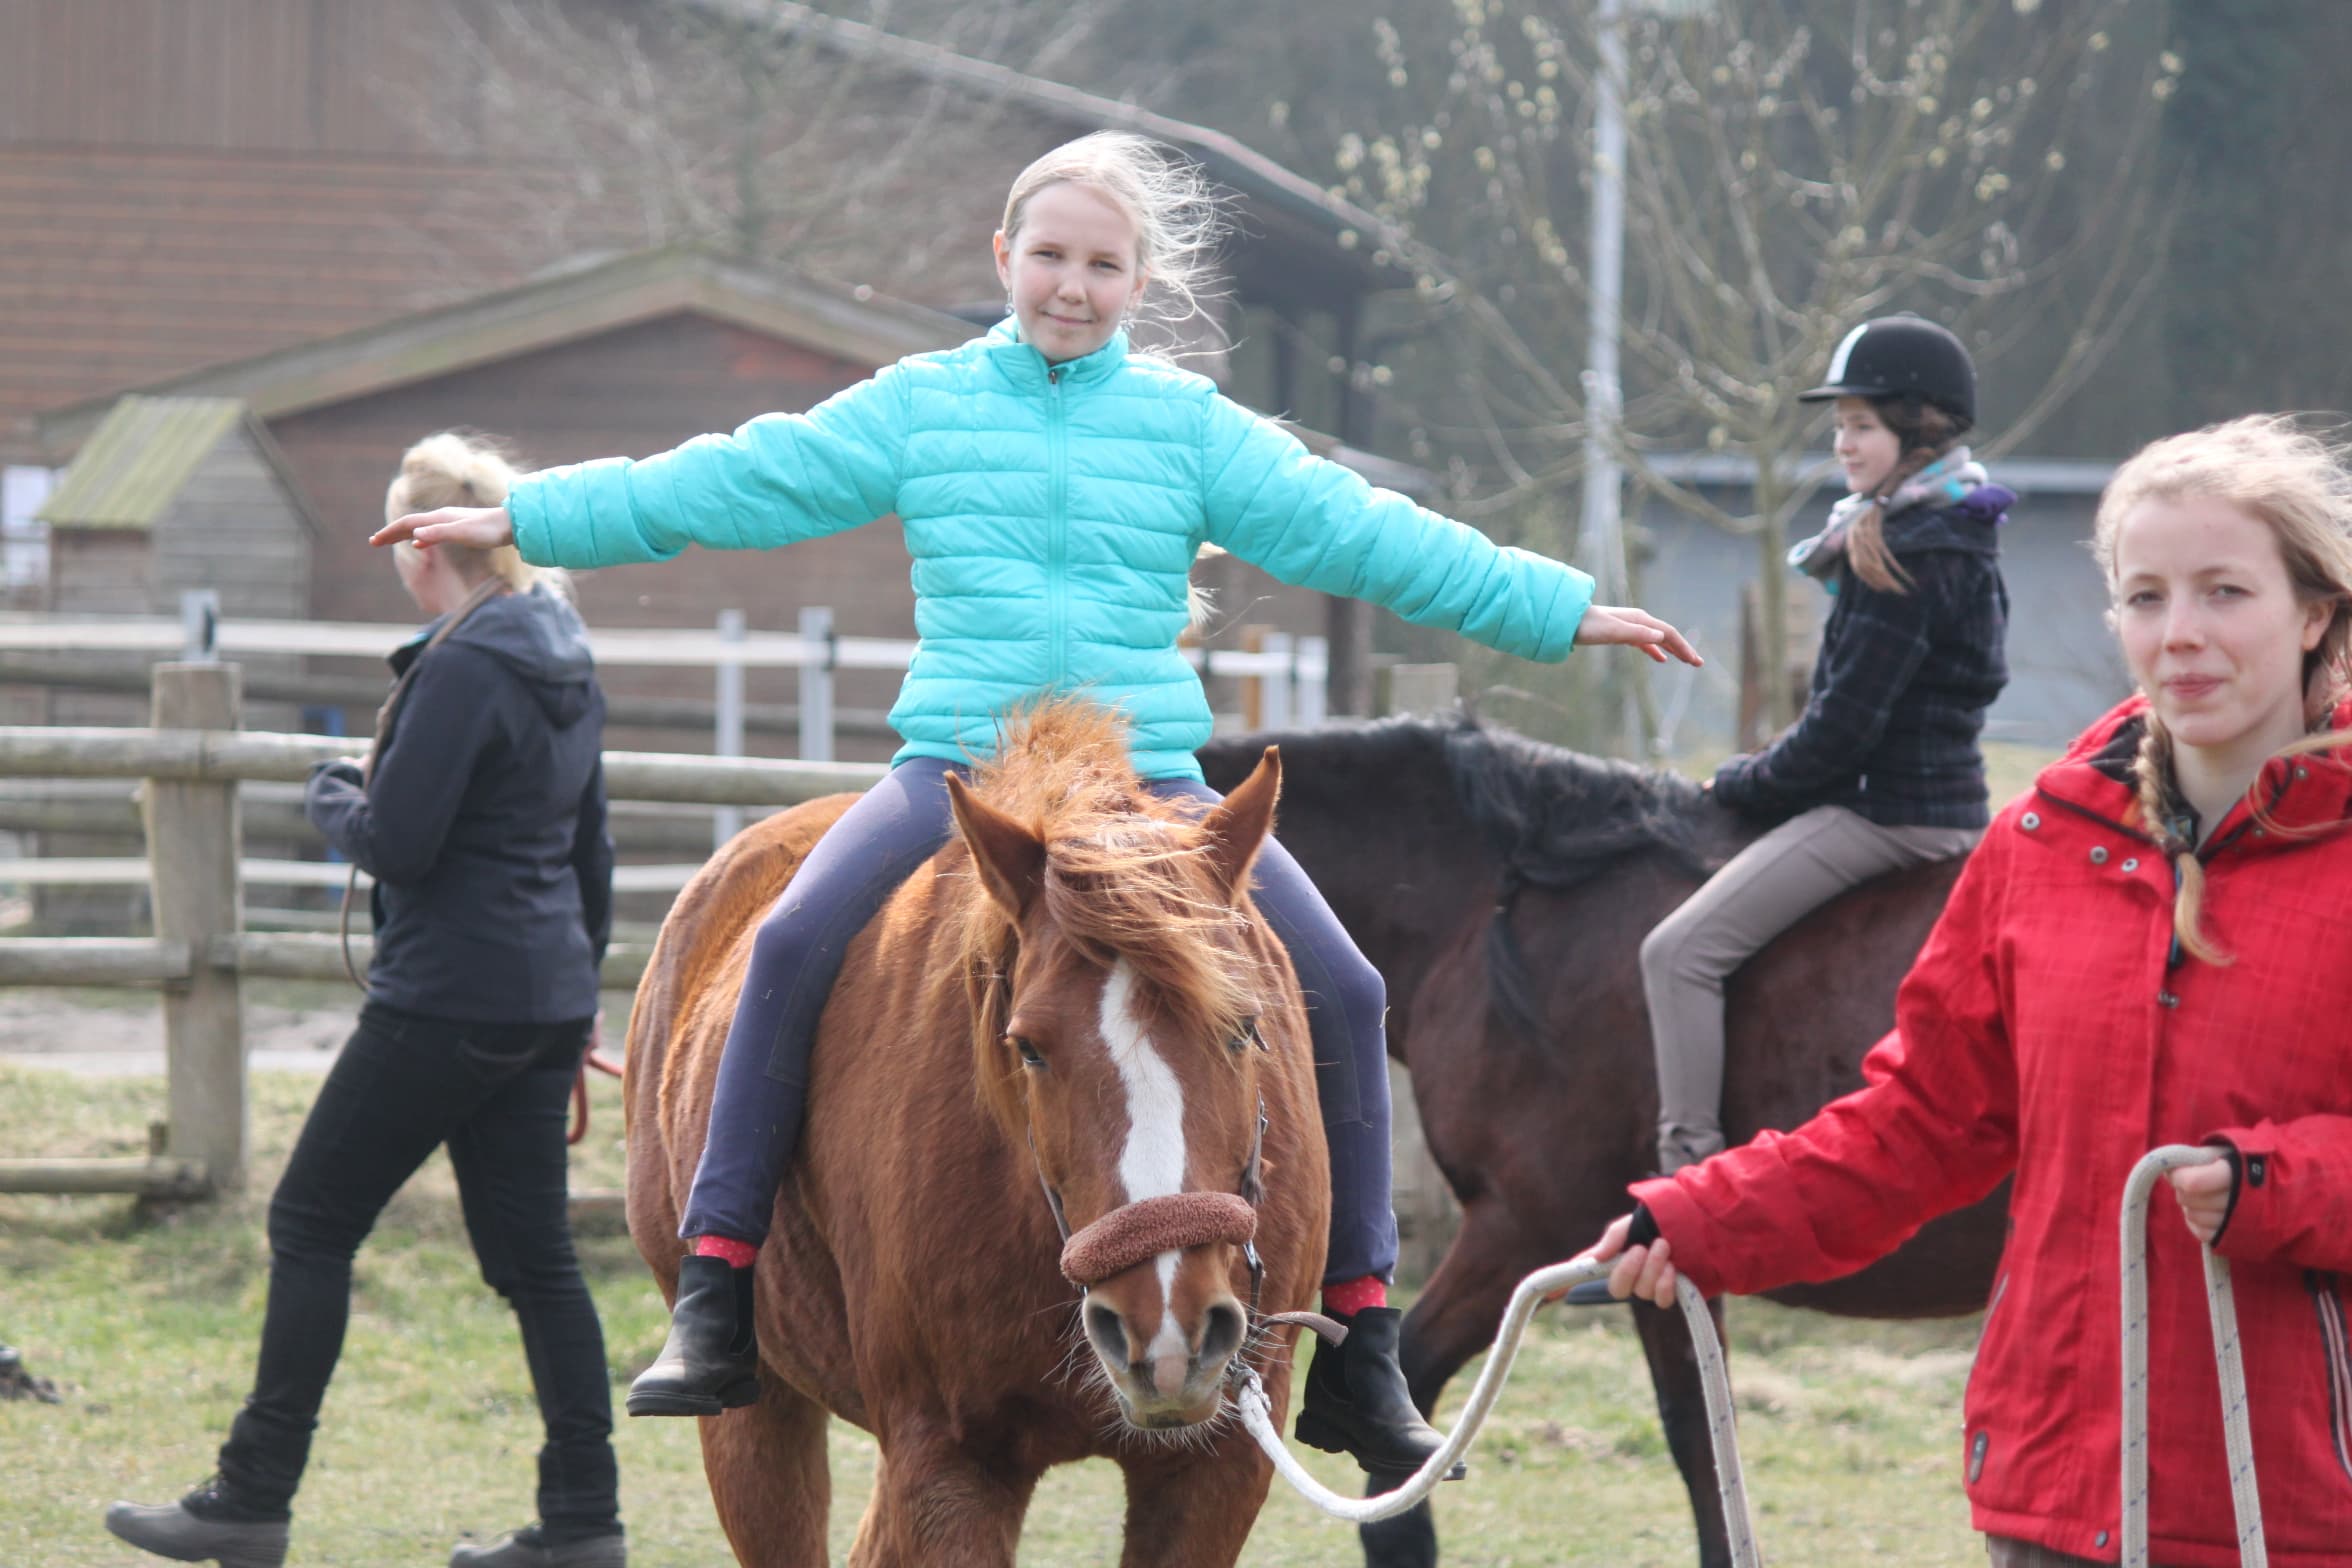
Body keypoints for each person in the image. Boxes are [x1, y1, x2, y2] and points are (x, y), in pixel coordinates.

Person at [373, 131, 1700, 1476]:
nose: (1073, 284)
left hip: (1150, 781)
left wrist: (1555, 606)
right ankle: (719, 1290)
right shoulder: (923, 405)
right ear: (1004, 259)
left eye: (1103, 264)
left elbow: (1360, 530)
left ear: (1139, 283)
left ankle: (1357, 1338)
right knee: (784, 943)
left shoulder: (1187, 426)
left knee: (1345, 989)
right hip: (961, 768)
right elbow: (731, 478)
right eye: (1051, 256)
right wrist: (522, 522)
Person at [1583, 414, 2352, 1564]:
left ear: (2314, 614)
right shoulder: (2041, 845)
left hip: (2291, 1504)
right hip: (2051, 1493)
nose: (2181, 634)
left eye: (2224, 592)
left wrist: (2276, 1184)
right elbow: (1917, 1125)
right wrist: (1705, 1214)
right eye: (2146, 598)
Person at [106, 434, 625, 1568]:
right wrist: (578, 993)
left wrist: (332, 792)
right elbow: (592, 844)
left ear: (413, 542)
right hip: (539, 994)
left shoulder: (466, 661)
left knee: (308, 1221)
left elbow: (399, 840)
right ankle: (585, 1518)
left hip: (447, 996)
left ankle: (249, 1496)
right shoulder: (562, 649)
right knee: (537, 1262)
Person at [1643, 315, 2011, 1172]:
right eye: (1840, 425)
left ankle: (1684, 1168)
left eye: (1863, 426)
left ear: (1920, 429)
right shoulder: (1954, 528)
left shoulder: (1902, 551)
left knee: (1677, 952)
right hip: (1943, 804)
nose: (1843, 443)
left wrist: (1735, 783)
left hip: (1888, 815)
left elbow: (1837, 738)